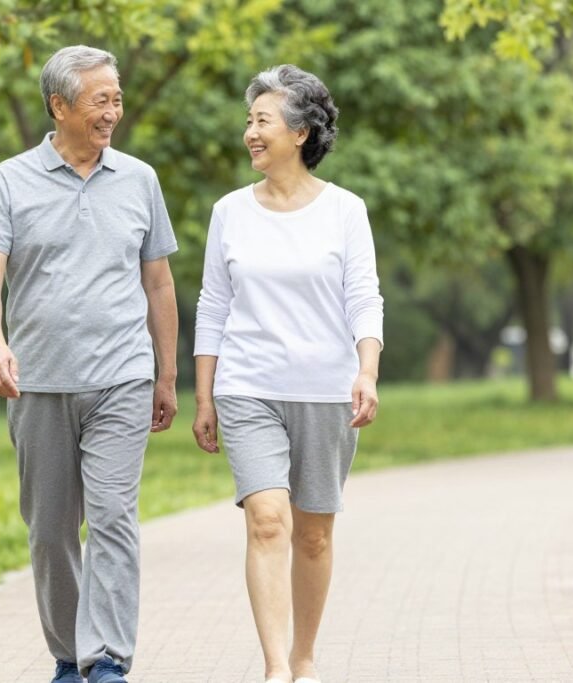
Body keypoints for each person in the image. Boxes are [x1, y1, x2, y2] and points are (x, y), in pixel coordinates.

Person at [0, 45, 179, 683]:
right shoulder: (10, 180)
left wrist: (166, 374)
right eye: (100, 100)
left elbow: (160, 285)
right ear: (59, 106)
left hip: (121, 375)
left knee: (114, 518)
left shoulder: (139, 179)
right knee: (51, 529)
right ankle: (68, 656)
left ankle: (107, 658)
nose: (113, 111)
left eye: (116, 98)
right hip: (38, 382)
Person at [193, 64, 383, 683]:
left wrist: (367, 369)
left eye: (262, 121)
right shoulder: (229, 212)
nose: (250, 132)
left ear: (300, 133)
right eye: (248, 121)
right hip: (248, 386)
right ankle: (277, 668)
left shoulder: (345, 211)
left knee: (314, 536)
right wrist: (204, 395)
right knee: (268, 518)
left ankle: (305, 658)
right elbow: (213, 306)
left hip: (326, 388)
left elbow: (364, 297)